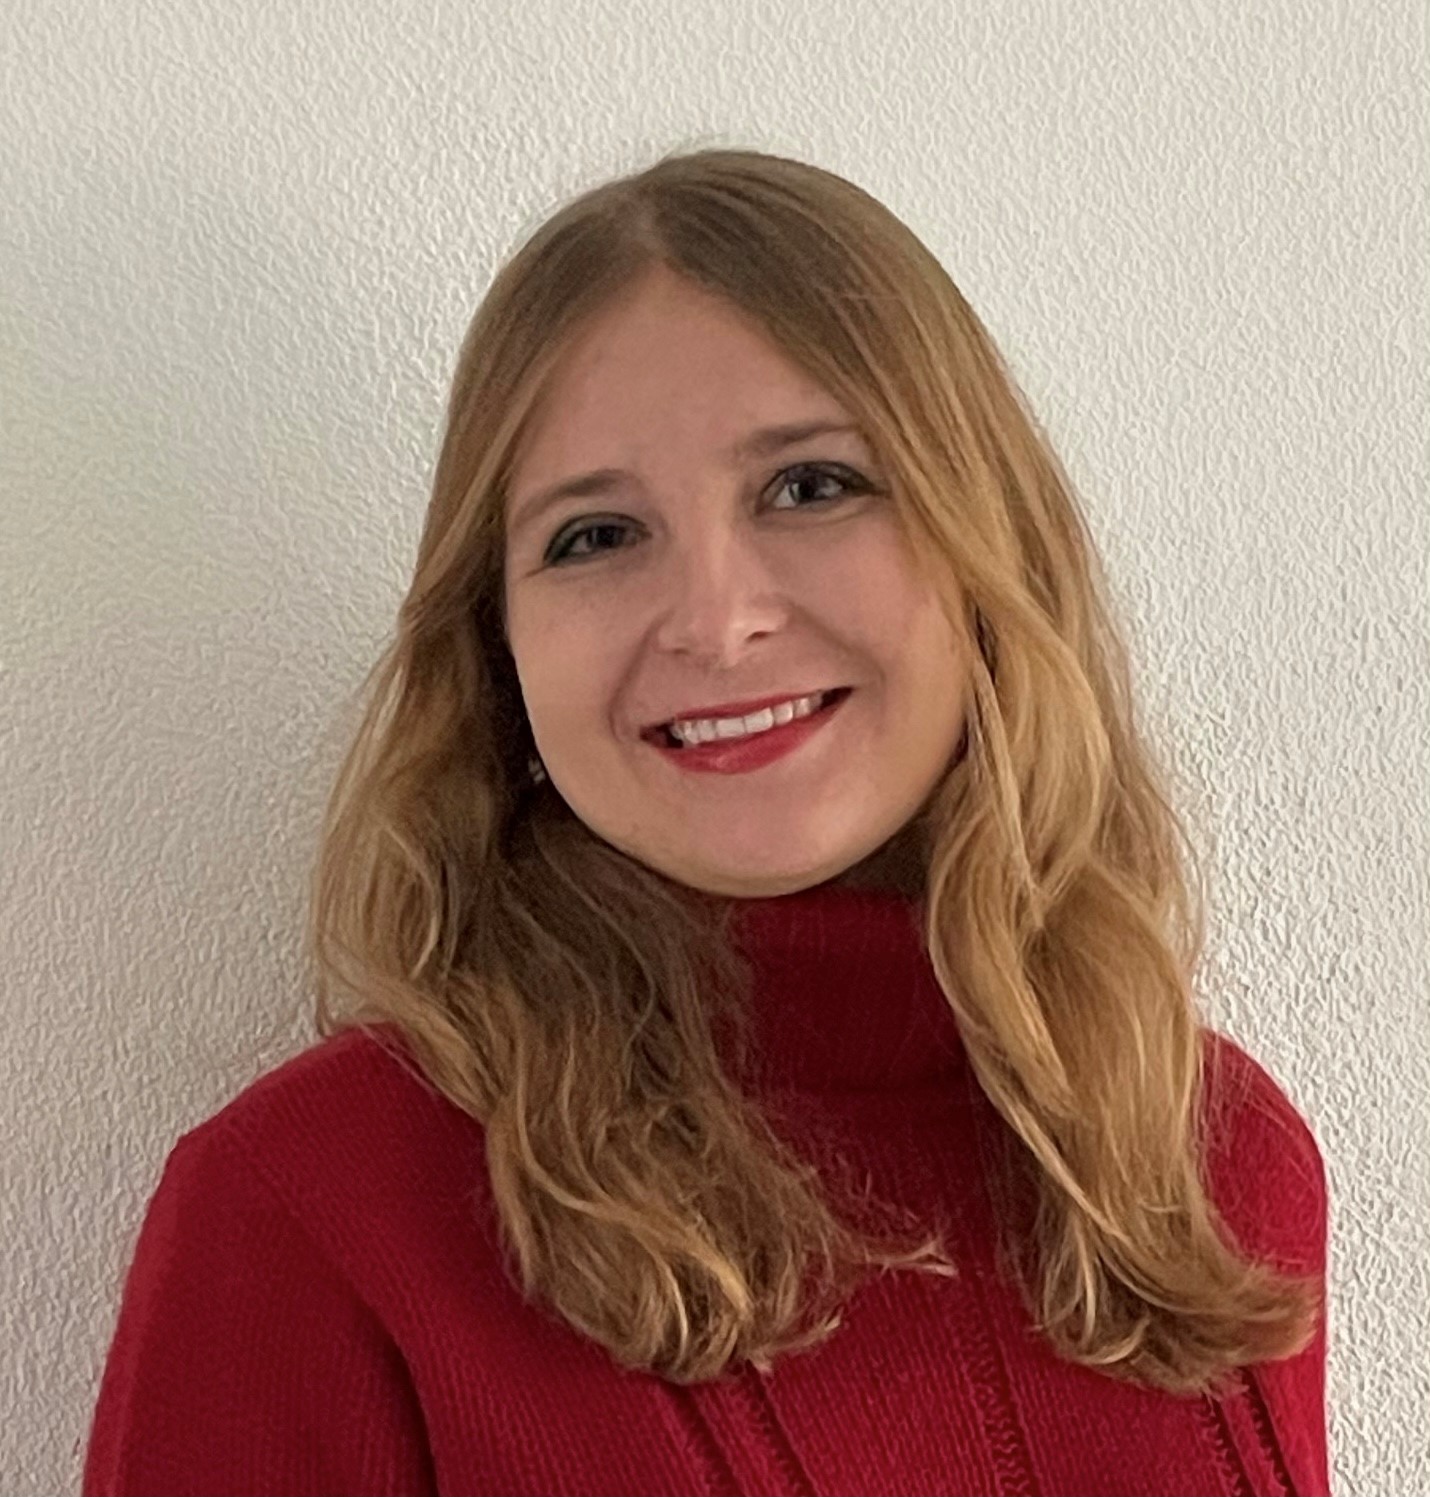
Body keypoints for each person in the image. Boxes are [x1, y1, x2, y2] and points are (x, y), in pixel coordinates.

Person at [82, 145, 1330, 1496]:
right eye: (595, 536)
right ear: (497, 649)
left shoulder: (1203, 1165)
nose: (718, 621)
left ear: (991, 549)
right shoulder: (313, 1207)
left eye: (810, 486)